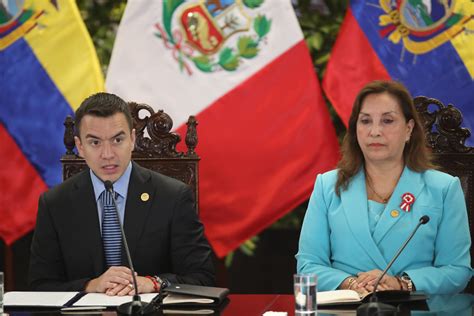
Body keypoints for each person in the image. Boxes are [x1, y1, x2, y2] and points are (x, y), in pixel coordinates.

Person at [296, 80, 472, 295]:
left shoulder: (443, 188)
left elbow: (457, 271)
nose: (375, 131)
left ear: (409, 129)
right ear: (355, 129)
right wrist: (352, 284)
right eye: (366, 121)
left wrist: (401, 284)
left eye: (387, 121)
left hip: (416, 309)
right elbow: (308, 266)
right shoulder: (327, 186)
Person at [29, 92, 215, 295]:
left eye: (117, 140)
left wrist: (152, 283)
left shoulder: (173, 197)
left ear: (133, 139)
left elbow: (202, 279)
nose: (108, 154)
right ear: (80, 146)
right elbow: (40, 286)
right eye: (95, 143)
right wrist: (91, 286)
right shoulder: (55, 203)